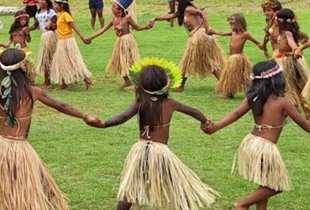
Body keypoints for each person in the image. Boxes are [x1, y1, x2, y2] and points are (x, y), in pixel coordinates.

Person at [0, 48, 100, 210]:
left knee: (39, 185)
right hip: (18, 150)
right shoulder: (33, 92)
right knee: (26, 191)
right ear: (24, 67)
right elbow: (61, 106)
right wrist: (85, 116)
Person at [203, 60, 310, 210]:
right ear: (277, 79)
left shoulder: (253, 97)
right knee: (276, 185)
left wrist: (216, 127)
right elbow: (303, 123)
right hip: (265, 147)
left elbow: (236, 113)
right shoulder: (282, 101)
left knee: (265, 182)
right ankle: (242, 204)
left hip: (251, 142)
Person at [89, 59, 218, 210]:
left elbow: (122, 117)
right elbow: (194, 111)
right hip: (160, 153)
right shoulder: (170, 103)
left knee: (130, 192)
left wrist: (103, 124)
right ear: (166, 84)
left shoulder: (139, 102)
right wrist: (205, 121)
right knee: (179, 186)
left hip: (141, 151)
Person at [89, 0, 154, 88]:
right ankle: (127, 81)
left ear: (120, 9)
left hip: (128, 41)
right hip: (119, 42)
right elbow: (102, 30)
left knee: (132, 62)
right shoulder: (113, 19)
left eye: (114, 6)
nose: (112, 8)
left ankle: (138, 83)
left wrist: (147, 26)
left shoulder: (127, 18)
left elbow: (137, 27)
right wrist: (91, 37)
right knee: (120, 62)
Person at [154, 7, 225, 92]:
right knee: (209, 62)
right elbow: (171, 15)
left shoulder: (188, 9)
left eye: (176, 1)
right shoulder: (183, 11)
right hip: (203, 36)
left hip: (200, 37)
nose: (175, 3)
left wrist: (206, 28)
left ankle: (180, 86)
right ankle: (224, 84)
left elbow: (203, 13)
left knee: (187, 62)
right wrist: (155, 19)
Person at [212, 14, 267, 99]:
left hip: (239, 58)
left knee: (243, 77)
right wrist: (214, 32)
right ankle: (230, 91)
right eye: (230, 24)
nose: (231, 26)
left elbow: (257, 42)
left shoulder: (245, 34)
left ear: (239, 24)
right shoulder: (233, 33)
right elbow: (223, 33)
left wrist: (263, 47)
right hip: (232, 59)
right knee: (231, 76)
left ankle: (251, 91)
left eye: (232, 24)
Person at [271, 9, 310, 117]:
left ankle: (293, 107)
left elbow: (291, 42)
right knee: (295, 83)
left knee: (288, 85)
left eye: (277, 18)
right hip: (290, 60)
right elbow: (304, 36)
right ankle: (303, 102)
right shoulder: (291, 30)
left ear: (281, 20)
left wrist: (295, 48)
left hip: (286, 60)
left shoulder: (287, 32)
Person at [50, 0, 94, 90]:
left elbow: (74, 26)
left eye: (56, 4)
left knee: (74, 62)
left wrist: (82, 37)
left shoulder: (66, 15)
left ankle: (88, 81)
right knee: (61, 62)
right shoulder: (60, 15)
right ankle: (64, 83)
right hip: (61, 41)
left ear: (62, 5)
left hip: (68, 41)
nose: (55, 6)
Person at [30, 0, 58, 86]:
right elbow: (36, 25)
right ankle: (47, 81)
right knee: (46, 59)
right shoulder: (37, 13)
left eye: (43, 0)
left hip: (51, 36)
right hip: (44, 37)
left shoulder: (51, 12)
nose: (41, 1)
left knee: (52, 57)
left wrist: (50, 25)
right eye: (39, 0)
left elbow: (56, 24)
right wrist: (28, 29)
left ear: (47, 2)